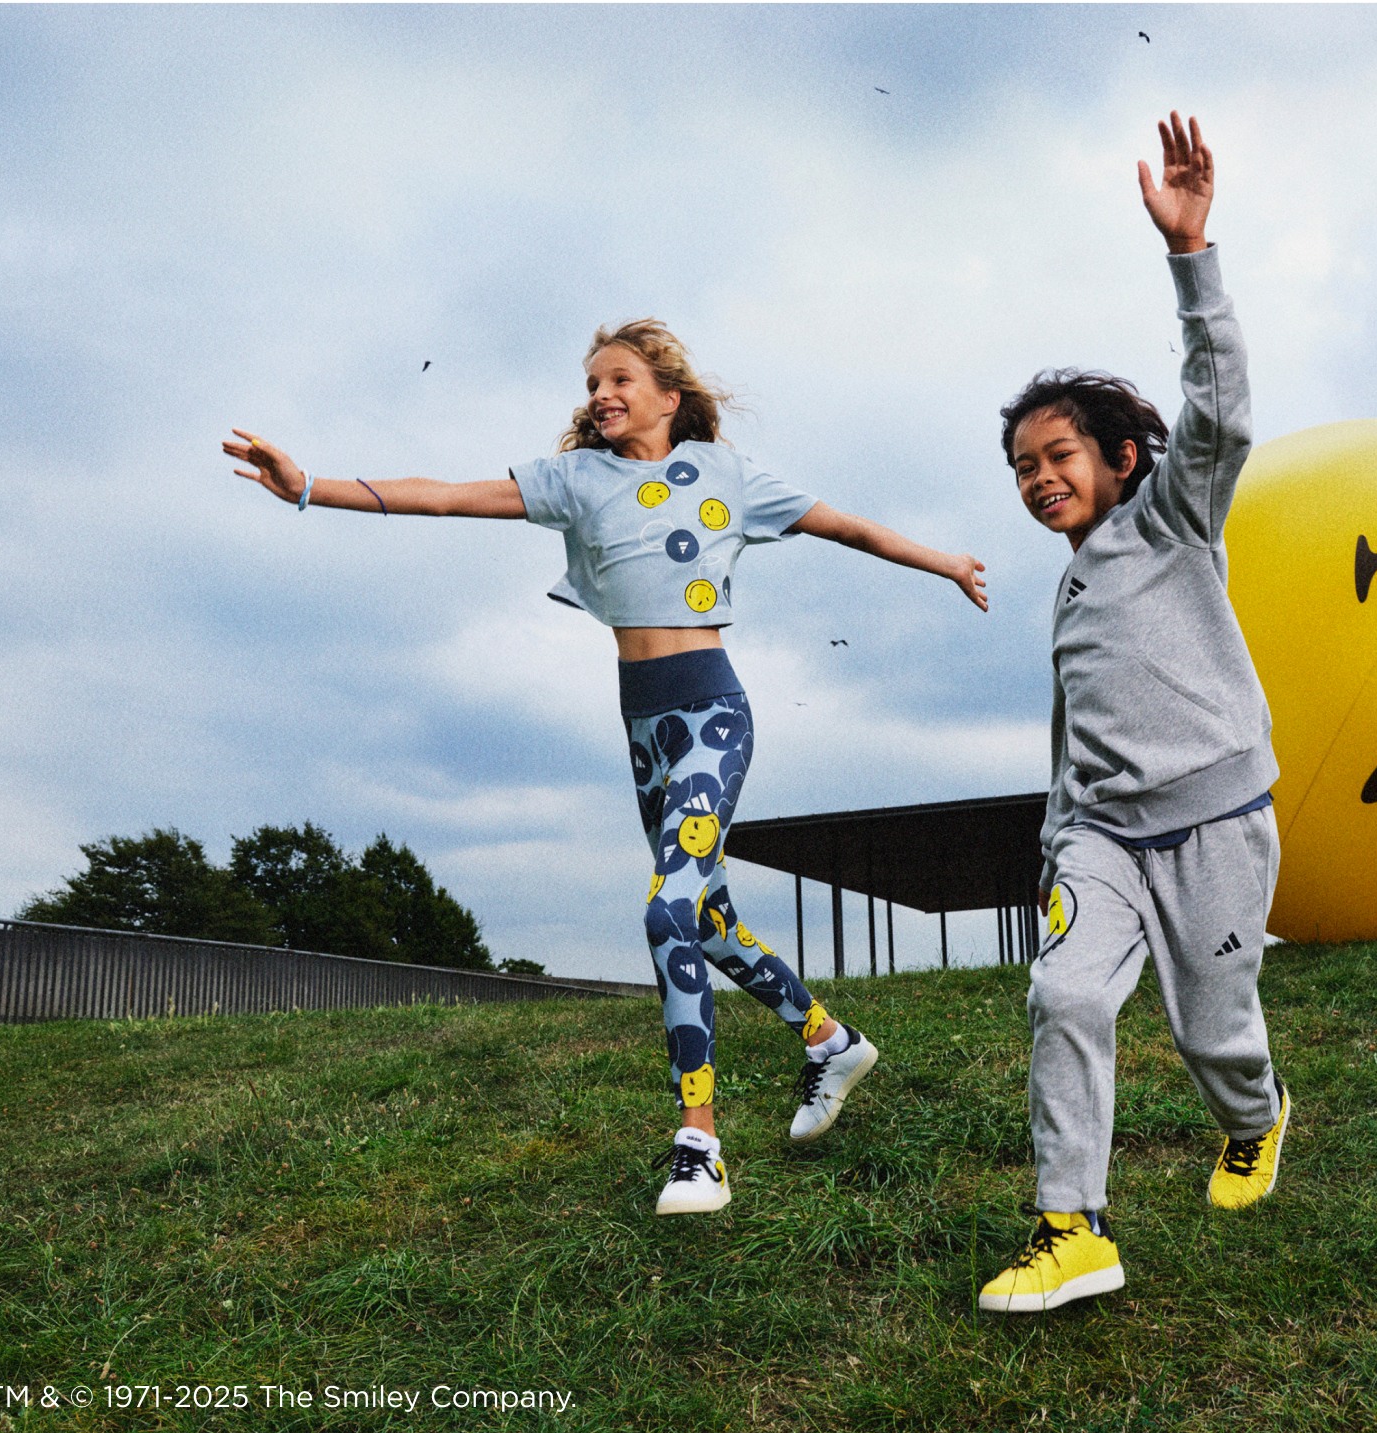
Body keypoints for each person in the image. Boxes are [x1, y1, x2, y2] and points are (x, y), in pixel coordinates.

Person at [223, 320, 987, 1217]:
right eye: (592, 383)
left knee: (667, 910)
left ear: (668, 395)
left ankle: (699, 1146)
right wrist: (309, 487)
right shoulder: (577, 480)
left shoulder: (727, 474)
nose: (600, 395)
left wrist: (945, 562)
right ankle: (829, 1041)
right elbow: (449, 497)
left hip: (712, 714)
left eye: (619, 378)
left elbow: (845, 527)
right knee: (705, 920)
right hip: (645, 731)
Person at [976, 112, 1286, 1314]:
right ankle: (1071, 1228)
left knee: (1214, 1035)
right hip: (1100, 838)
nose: (1037, 477)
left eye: (1055, 454)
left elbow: (1221, 409)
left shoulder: (1173, 518)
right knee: (1061, 995)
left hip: (1214, 827)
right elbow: (1071, 739)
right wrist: (1057, 841)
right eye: (1020, 466)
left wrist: (1188, 253)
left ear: (1116, 456)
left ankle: (1254, 1119)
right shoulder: (1065, 594)